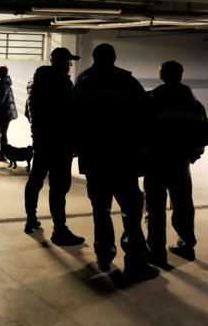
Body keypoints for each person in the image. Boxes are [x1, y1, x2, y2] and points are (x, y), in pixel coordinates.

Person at [71, 43, 158, 281]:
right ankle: (135, 262)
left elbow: (71, 118)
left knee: (101, 209)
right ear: (114, 59)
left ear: (94, 58)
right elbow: (148, 114)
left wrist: (77, 143)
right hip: (122, 157)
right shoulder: (125, 81)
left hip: (93, 159)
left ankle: (104, 256)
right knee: (131, 210)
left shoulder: (81, 83)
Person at [144, 60, 207, 265]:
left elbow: (141, 132)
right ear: (181, 75)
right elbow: (203, 135)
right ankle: (186, 245)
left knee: (155, 205)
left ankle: (156, 251)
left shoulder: (151, 99)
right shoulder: (196, 104)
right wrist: (193, 155)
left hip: (157, 161)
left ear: (161, 75)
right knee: (183, 204)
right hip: (182, 162)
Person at [23, 47, 84, 245]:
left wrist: (38, 129)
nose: (70, 64)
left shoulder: (33, 82)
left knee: (36, 180)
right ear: (59, 61)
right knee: (58, 187)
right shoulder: (61, 81)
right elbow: (71, 113)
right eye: (68, 61)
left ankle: (30, 218)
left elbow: (27, 111)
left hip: (41, 139)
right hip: (60, 141)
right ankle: (59, 230)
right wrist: (74, 141)